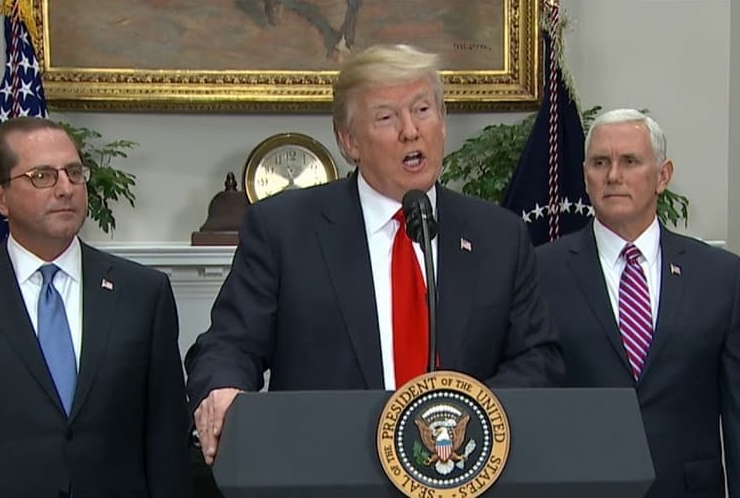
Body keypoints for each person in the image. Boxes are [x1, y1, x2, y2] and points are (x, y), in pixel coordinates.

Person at [185, 44, 564, 465]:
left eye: (423, 110)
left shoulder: (499, 235)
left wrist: (472, 415)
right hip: (327, 469)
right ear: (350, 142)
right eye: (386, 117)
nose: (410, 131)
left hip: (459, 469)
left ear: (442, 122)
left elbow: (537, 356)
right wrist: (221, 389)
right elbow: (228, 346)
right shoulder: (285, 230)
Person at [0, 117, 193, 497]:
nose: (65, 189)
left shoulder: (142, 294)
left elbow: (166, 446)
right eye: (42, 176)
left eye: (74, 173)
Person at [536, 108, 739, 498]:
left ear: (663, 176)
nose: (613, 176)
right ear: (585, 175)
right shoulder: (541, 272)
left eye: (630, 161)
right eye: (600, 163)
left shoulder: (721, 277)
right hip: (582, 488)